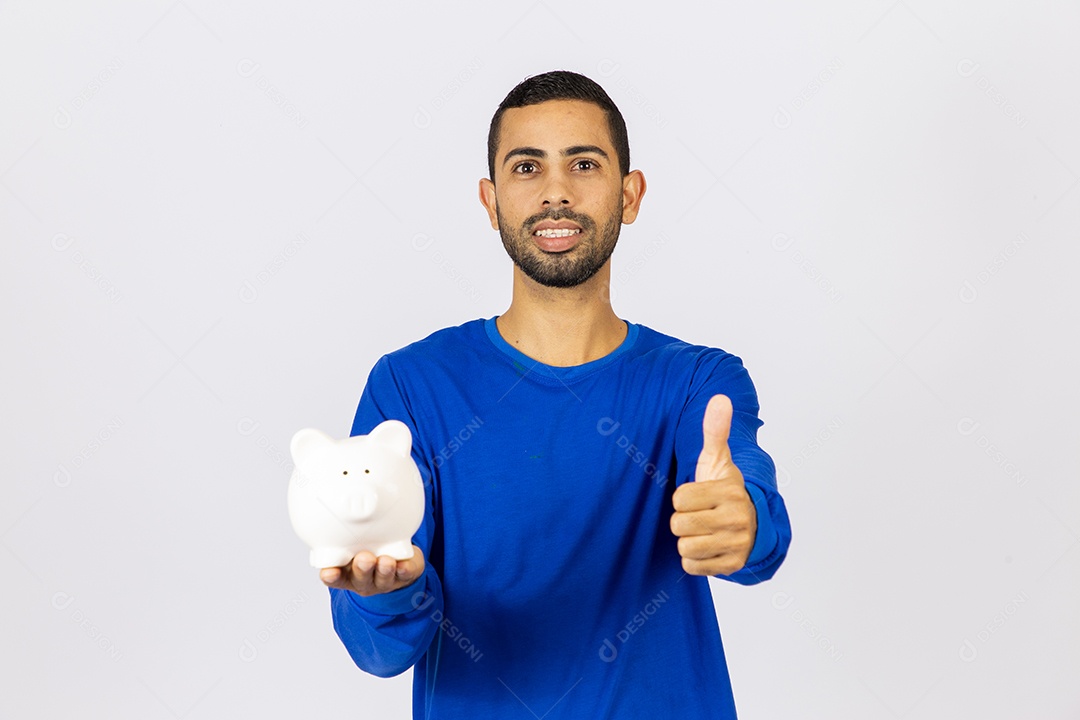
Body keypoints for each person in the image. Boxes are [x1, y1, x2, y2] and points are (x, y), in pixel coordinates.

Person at [318, 69, 792, 718]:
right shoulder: (411, 386)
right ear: (490, 201)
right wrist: (386, 594)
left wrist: (744, 521)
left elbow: (754, 523)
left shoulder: (698, 382)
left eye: (584, 164)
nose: (556, 193)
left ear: (630, 194)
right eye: (526, 168)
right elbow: (378, 650)